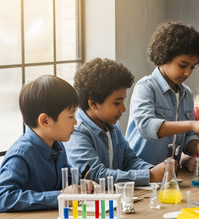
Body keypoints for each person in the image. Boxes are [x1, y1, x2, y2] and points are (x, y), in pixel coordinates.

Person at [126, 21, 199, 165]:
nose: (188, 72)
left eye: (192, 67)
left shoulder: (186, 94)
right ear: (164, 56)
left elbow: (188, 137)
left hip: (171, 174)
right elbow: (146, 126)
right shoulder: (145, 87)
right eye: (182, 65)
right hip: (140, 172)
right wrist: (192, 124)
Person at [0, 75, 95, 212]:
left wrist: (82, 185)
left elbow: (66, 182)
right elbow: (3, 197)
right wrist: (59, 197)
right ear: (45, 121)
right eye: (70, 116)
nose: (75, 122)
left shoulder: (57, 146)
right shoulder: (21, 155)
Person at [64, 58, 165, 185]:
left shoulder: (112, 125)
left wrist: (155, 170)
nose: (123, 109)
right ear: (93, 104)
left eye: (123, 100)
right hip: (89, 204)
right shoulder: (77, 132)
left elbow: (129, 161)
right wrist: (149, 176)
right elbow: (95, 175)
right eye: (117, 103)